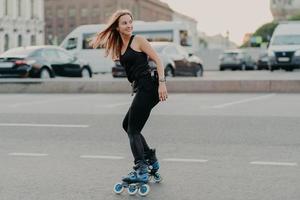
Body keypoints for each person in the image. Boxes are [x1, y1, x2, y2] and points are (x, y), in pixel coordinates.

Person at [91, 10, 168, 183]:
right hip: (141, 88)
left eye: (130, 22)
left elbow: (158, 60)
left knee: (133, 129)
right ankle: (151, 159)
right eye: (124, 23)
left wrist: (162, 83)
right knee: (127, 125)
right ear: (117, 27)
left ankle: (141, 169)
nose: (129, 25)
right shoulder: (120, 46)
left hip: (149, 88)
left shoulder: (138, 40)